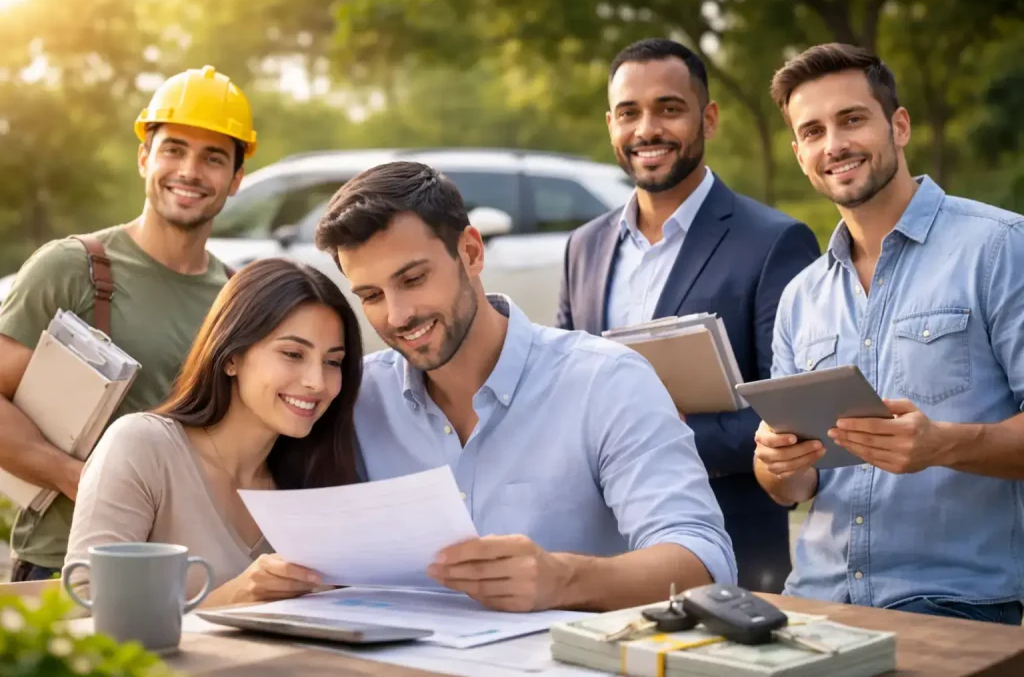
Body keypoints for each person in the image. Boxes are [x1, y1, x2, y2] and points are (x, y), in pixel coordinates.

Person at [313, 160, 736, 613]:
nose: (396, 316)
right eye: (371, 296)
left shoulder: (607, 381)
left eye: (413, 279)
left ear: (471, 253)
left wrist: (565, 580)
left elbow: (704, 561)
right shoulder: (354, 398)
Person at [756, 42, 1024, 624]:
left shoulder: (1001, 247)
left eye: (852, 119)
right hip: (814, 604)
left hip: (956, 607)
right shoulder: (800, 297)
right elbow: (793, 488)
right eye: (813, 131)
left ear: (899, 126)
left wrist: (943, 445)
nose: (835, 145)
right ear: (800, 153)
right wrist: (776, 464)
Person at [555, 38, 821, 593]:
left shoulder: (775, 242)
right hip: (600, 555)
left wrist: (648, 435)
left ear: (709, 118)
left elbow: (793, 415)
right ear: (611, 125)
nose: (647, 129)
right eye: (629, 113)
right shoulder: (583, 247)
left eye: (669, 109)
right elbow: (560, 390)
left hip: (732, 551)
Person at [0, 65, 257, 581]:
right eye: (174, 149)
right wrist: (84, 479)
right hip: (66, 568)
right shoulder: (72, 269)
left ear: (235, 180)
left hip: (193, 575)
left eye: (212, 158)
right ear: (145, 157)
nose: (189, 170)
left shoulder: (238, 298)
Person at [64, 258, 363, 604]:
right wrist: (232, 597)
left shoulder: (316, 477)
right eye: (293, 354)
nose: (316, 382)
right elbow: (85, 605)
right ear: (231, 357)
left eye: (333, 362)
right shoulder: (142, 447)